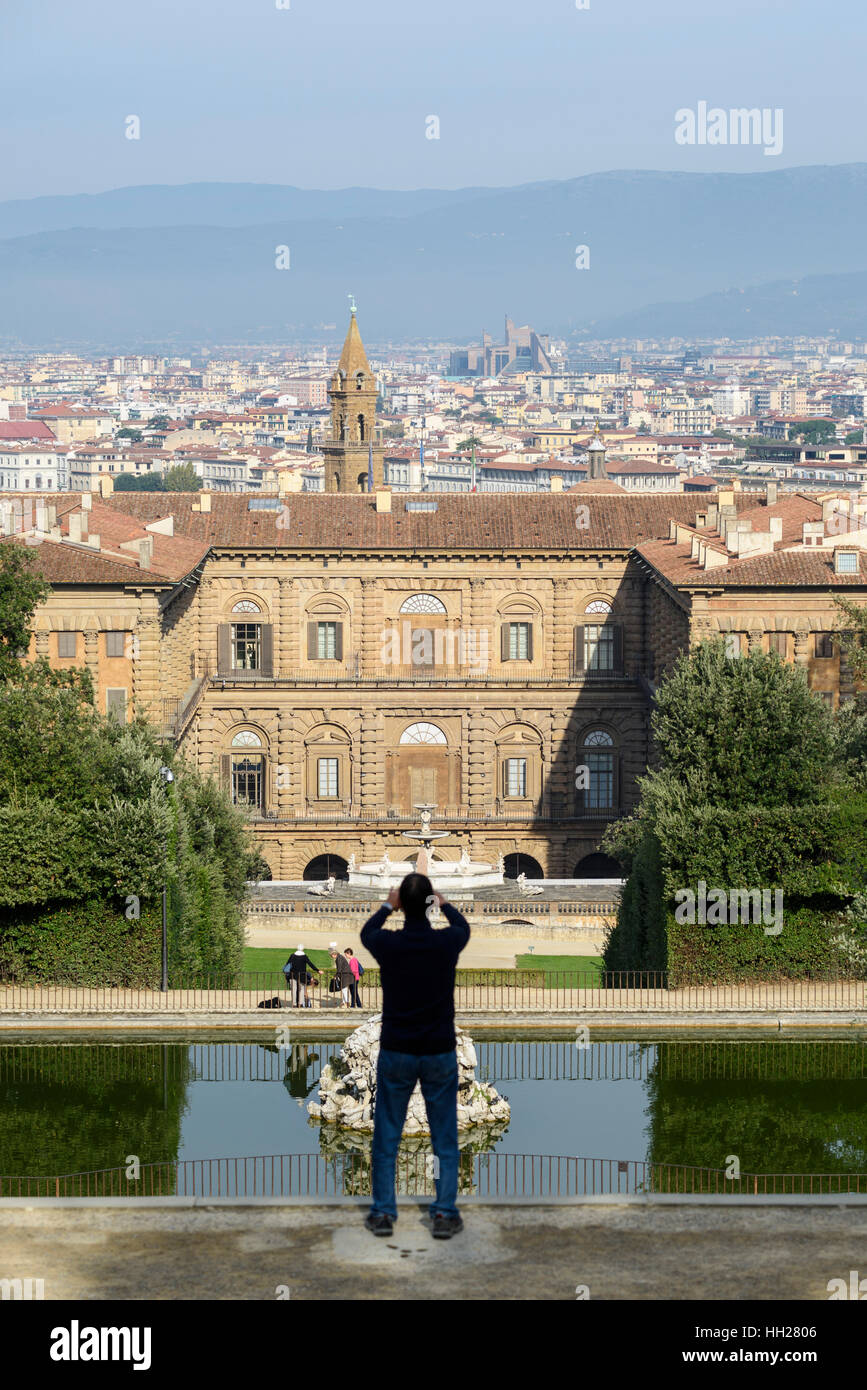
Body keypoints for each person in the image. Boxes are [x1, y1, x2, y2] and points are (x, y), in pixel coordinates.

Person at [360, 873, 470, 1241]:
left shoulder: (389, 945)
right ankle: (443, 1213)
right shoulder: (448, 943)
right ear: (430, 904)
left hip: (398, 1050)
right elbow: (463, 926)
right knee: (444, 1138)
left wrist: (388, 906)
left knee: (387, 1135)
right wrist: (444, 903)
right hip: (438, 1051)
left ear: (402, 906)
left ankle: (382, 1214)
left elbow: (366, 933)